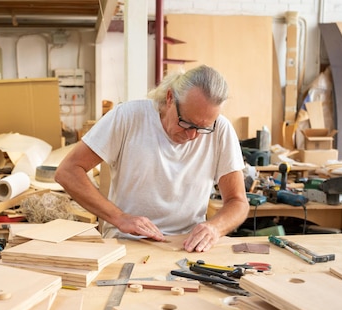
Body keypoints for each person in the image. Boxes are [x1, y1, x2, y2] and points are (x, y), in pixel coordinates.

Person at [54, 65, 249, 252]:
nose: (193, 136)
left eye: (203, 128)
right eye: (187, 123)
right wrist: (119, 217)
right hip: (128, 242)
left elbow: (238, 202)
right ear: (170, 97)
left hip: (187, 246)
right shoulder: (128, 118)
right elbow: (68, 172)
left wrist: (215, 228)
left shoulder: (220, 129)